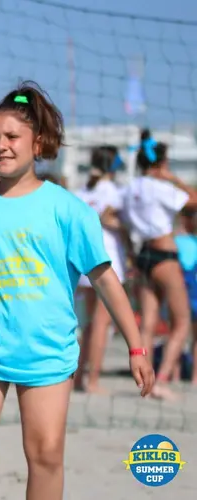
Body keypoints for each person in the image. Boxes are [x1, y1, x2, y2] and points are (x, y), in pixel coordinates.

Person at [0, 81, 154, 500]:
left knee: (45, 455)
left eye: (12, 137)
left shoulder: (68, 208)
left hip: (47, 351)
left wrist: (137, 346)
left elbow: (105, 281)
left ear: (38, 142)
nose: (1, 146)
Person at [122, 129, 197, 400]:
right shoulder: (162, 187)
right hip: (164, 255)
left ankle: (145, 378)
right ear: (162, 163)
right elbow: (194, 201)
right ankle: (162, 379)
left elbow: (117, 217)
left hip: (142, 255)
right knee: (182, 322)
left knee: (148, 324)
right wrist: (173, 178)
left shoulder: (130, 187)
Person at [73, 146, 129, 393]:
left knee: (87, 324)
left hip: (83, 260)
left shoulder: (81, 193)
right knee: (101, 323)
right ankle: (92, 380)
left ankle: (76, 378)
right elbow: (113, 221)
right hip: (106, 260)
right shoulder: (114, 192)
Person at [174, 207, 197, 383]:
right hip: (192, 289)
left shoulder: (176, 240)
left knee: (175, 332)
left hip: (180, 288)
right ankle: (195, 377)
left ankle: (173, 375)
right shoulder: (187, 241)